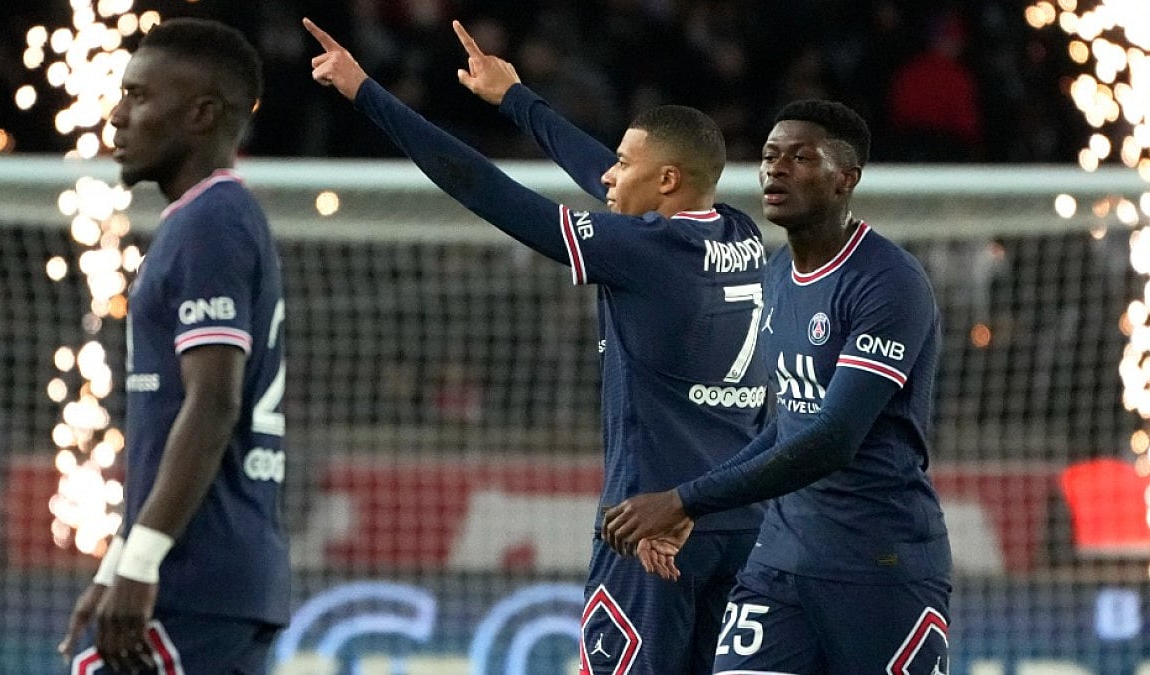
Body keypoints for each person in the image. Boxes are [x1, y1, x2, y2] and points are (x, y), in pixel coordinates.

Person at [305, 17, 771, 674]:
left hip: (651, 524)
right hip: (734, 521)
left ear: (667, 182)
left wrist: (366, 93)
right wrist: (517, 99)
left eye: (626, 165)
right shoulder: (739, 231)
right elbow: (602, 173)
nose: (610, 176)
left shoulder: (642, 249)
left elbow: (483, 186)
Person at [602, 99, 952, 674]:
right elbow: (786, 424)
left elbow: (832, 437)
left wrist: (685, 499)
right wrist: (695, 504)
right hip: (780, 564)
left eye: (800, 158)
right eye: (769, 157)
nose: (776, 170)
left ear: (845, 180)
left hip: (881, 567)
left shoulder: (888, 282)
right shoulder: (776, 275)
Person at [58, 18, 290, 674]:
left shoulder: (209, 222)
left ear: (200, 114)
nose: (117, 115)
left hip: (194, 573)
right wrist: (116, 561)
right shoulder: (210, 218)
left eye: (137, 96)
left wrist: (139, 563)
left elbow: (213, 403)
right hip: (219, 576)